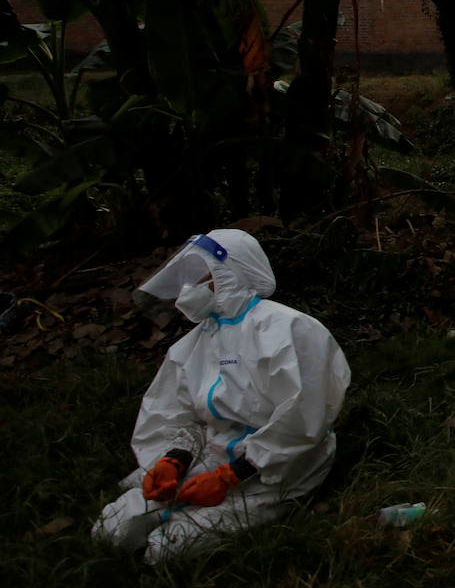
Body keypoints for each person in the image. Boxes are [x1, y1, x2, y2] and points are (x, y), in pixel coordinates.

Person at [91, 229, 350, 562]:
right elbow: (173, 412)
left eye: (203, 276)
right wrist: (173, 459)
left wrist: (234, 474)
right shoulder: (193, 345)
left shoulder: (290, 330)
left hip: (283, 464)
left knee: (165, 549)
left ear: (231, 272)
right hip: (214, 448)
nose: (191, 288)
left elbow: (302, 420)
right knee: (112, 530)